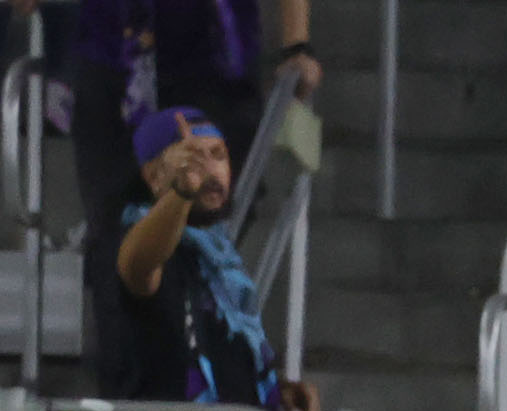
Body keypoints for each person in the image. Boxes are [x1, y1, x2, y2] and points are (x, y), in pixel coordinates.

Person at [94, 107, 315, 411]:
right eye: (194, 157)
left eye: (218, 154)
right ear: (154, 176)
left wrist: (275, 392)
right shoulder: (137, 235)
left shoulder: (218, 254)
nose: (210, 170)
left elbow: (220, 349)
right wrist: (181, 192)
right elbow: (137, 266)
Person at [45, 0, 321, 239]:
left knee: (206, 221)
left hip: (212, 62)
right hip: (113, 56)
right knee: (112, 226)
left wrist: (297, 45)